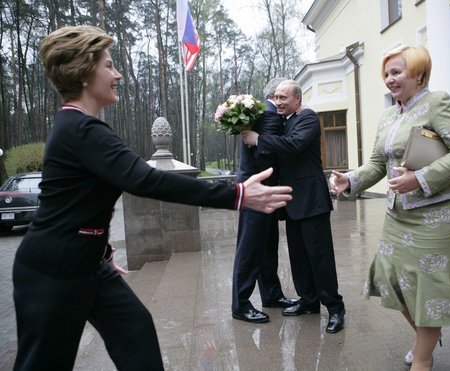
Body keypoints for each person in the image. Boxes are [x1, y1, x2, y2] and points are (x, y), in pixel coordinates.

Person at [12, 25, 292, 371]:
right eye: (109, 65)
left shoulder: (80, 128)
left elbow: (78, 201)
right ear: (84, 73)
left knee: (136, 335)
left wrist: (100, 248)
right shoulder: (81, 129)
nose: (117, 75)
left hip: (88, 264)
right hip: (54, 270)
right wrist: (237, 194)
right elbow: (147, 180)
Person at [330, 45, 450, 370]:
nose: (389, 79)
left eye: (396, 72)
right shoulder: (387, 115)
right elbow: (376, 163)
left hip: (437, 212)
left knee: (429, 282)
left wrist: (420, 178)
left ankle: (422, 360)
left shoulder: (438, 103)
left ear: (419, 73)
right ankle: (425, 335)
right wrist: (350, 181)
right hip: (398, 213)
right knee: (391, 277)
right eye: (386, 74)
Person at [242, 80, 345, 334]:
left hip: (312, 200)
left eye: (283, 98)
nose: (277, 102)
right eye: (275, 97)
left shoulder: (308, 118)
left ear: (297, 99)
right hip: (292, 201)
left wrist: (259, 139)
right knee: (298, 256)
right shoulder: (285, 119)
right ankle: (308, 301)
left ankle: (335, 308)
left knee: (320, 256)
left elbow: (294, 145)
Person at [232, 77, 297, 323]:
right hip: (256, 189)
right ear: (275, 94)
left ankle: (272, 295)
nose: (282, 101)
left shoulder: (263, 113)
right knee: (249, 248)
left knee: (267, 245)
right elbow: (269, 151)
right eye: (281, 96)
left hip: (264, 190)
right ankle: (241, 304)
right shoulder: (270, 115)